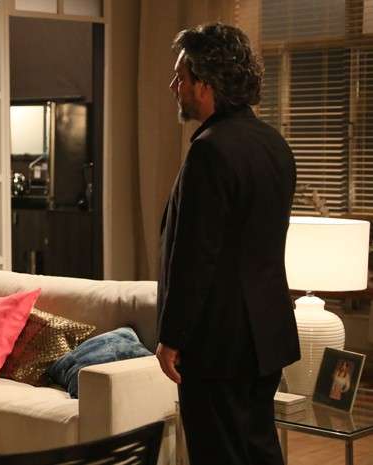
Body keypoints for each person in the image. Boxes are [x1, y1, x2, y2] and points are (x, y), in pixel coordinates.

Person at [155, 24, 300, 465]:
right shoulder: (275, 145)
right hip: (266, 336)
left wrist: (171, 337)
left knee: (219, 455)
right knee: (259, 450)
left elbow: (195, 257)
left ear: (206, 83)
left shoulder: (209, 150)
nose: (174, 86)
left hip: (218, 342)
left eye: (181, 77)